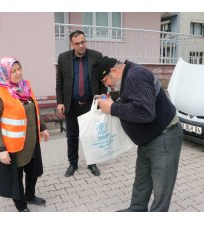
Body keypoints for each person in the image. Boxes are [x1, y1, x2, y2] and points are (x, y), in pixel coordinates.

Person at [94, 56, 183, 212]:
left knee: (162, 186)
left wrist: (113, 108)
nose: (106, 85)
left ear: (113, 71)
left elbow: (145, 112)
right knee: (142, 180)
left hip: (164, 137)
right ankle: (136, 210)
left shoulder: (136, 76)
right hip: (148, 138)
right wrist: (112, 102)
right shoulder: (129, 75)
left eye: (104, 80)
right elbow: (133, 100)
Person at [0, 56, 50, 212]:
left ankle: (30, 195)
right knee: (16, 178)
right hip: (13, 146)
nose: (17, 73)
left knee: (32, 173)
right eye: (13, 70)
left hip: (31, 142)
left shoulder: (25, 86)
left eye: (19, 69)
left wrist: (42, 127)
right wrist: (1, 149)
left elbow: (34, 110)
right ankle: (21, 206)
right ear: (4, 72)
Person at [56, 30, 104, 177]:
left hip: (90, 104)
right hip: (72, 104)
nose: (81, 45)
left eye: (83, 42)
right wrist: (60, 102)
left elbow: (103, 80)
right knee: (72, 135)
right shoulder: (63, 58)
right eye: (77, 43)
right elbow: (60, 82)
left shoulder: (96, 56)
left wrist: (102, 98)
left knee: (90, 135)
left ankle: (92, 163)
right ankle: (73, 164)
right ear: (72, 44)